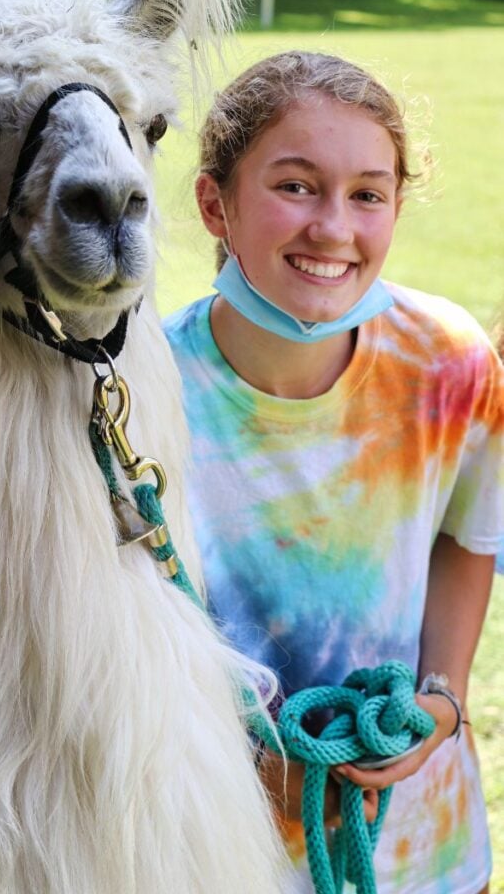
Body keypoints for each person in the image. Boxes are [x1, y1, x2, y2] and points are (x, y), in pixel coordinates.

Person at [164, 51, 503, 894]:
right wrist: (243, 762)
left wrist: (441, 698)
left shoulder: (449, 362)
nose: (332, 228)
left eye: (366, 195)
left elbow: (468, 537)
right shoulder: (141, 395)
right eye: (295, 186)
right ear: (214, 204)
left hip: (423, 853)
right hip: (209, 849)